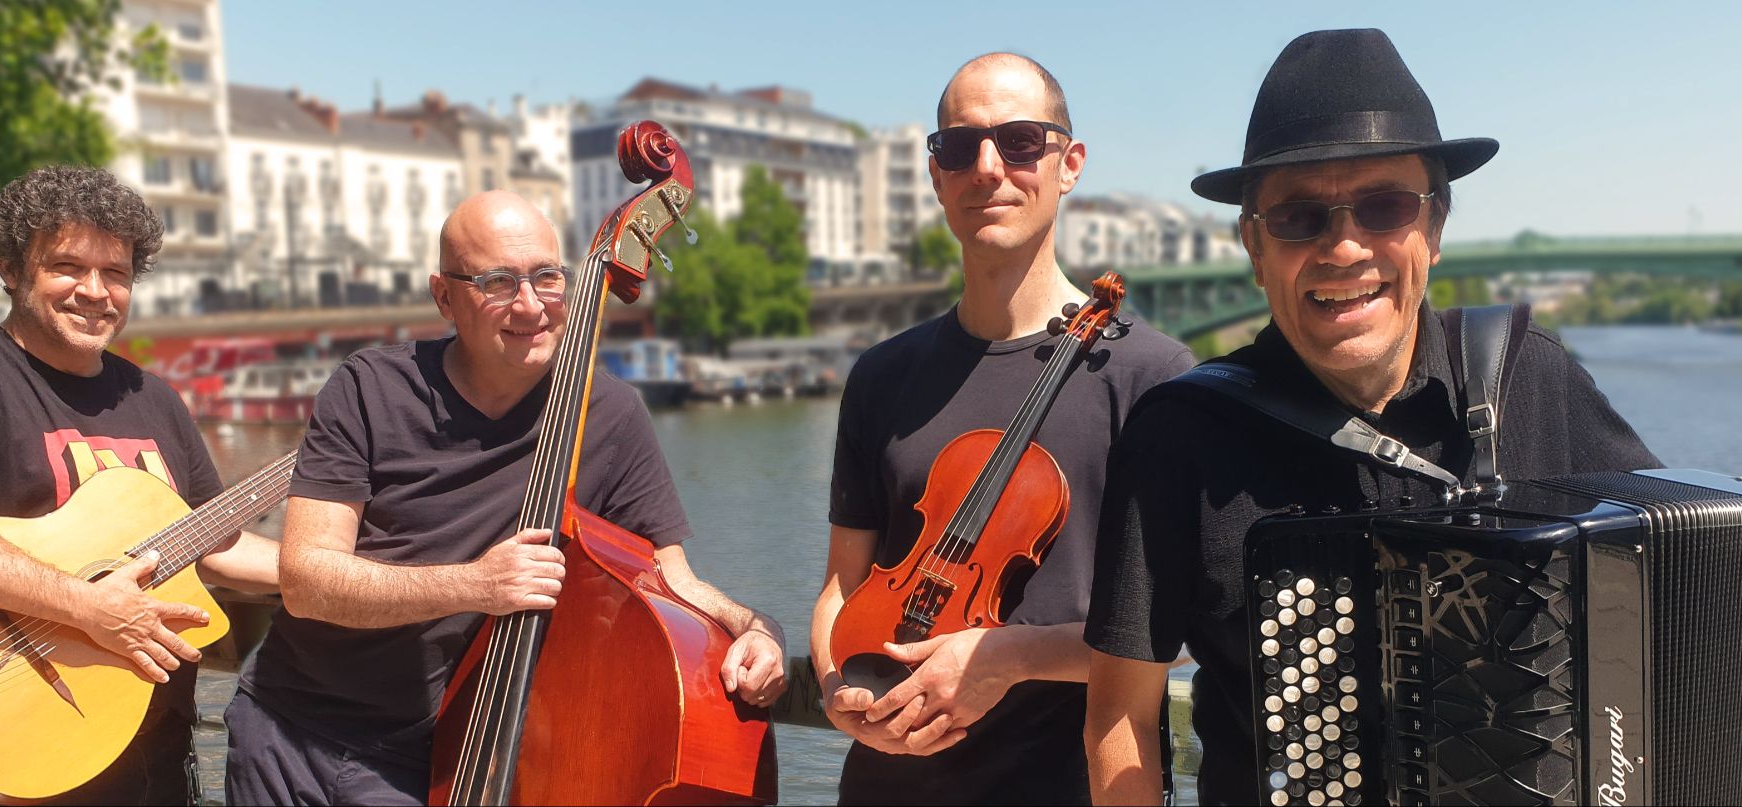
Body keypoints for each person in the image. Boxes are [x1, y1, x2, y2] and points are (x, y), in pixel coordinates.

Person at [1081, 29, 1661, 805]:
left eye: (1385, 206)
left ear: (1436, 226)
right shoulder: (1181, 434)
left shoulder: (1530, 375)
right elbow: (1118, 713)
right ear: (1254, 247)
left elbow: (1666, 584)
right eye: (1298, 218)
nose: (1345, 247)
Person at [222, 190, 788, 805]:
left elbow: (670, 581)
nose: (530, 305)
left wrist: (754, 627)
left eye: (547, 277)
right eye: (498, 282)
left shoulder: (611, 416)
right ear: (444, 297)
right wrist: (476, 585)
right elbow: (306, 580)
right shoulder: (369, 388)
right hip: (289, 731)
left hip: (439, 757)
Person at [810, 53, 1195, 805]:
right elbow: (840, 586)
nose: (987, 168)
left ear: (1069, 162)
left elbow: (1173, 638)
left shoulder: (1152, 377)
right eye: (959, 147)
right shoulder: (881, 375)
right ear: (935, 175)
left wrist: (1009, 655)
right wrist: (834, 688)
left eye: (1020, 141)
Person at [0, 165, 281, 805]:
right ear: (9, 267)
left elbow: (213, 543)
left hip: (155, 752)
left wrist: (355, 569)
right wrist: (85, 606)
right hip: (27, 738)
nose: (95, 291)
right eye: (66, 267)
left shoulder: (154, 397)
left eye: (115, 273)